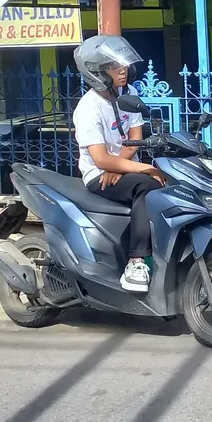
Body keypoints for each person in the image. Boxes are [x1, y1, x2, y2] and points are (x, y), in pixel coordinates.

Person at [72, 35, 165, 293]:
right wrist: (143, 168)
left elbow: (135, 139)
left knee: (168, 183)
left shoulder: (130, 94)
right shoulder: (88, 108)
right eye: (115, 67)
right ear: (97, 73)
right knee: (147, 185)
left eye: (123, 65)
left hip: (117, 169)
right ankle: (136, 261)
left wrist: (118, 165)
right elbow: (100, 159)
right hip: (97, 176)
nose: (123, 71)